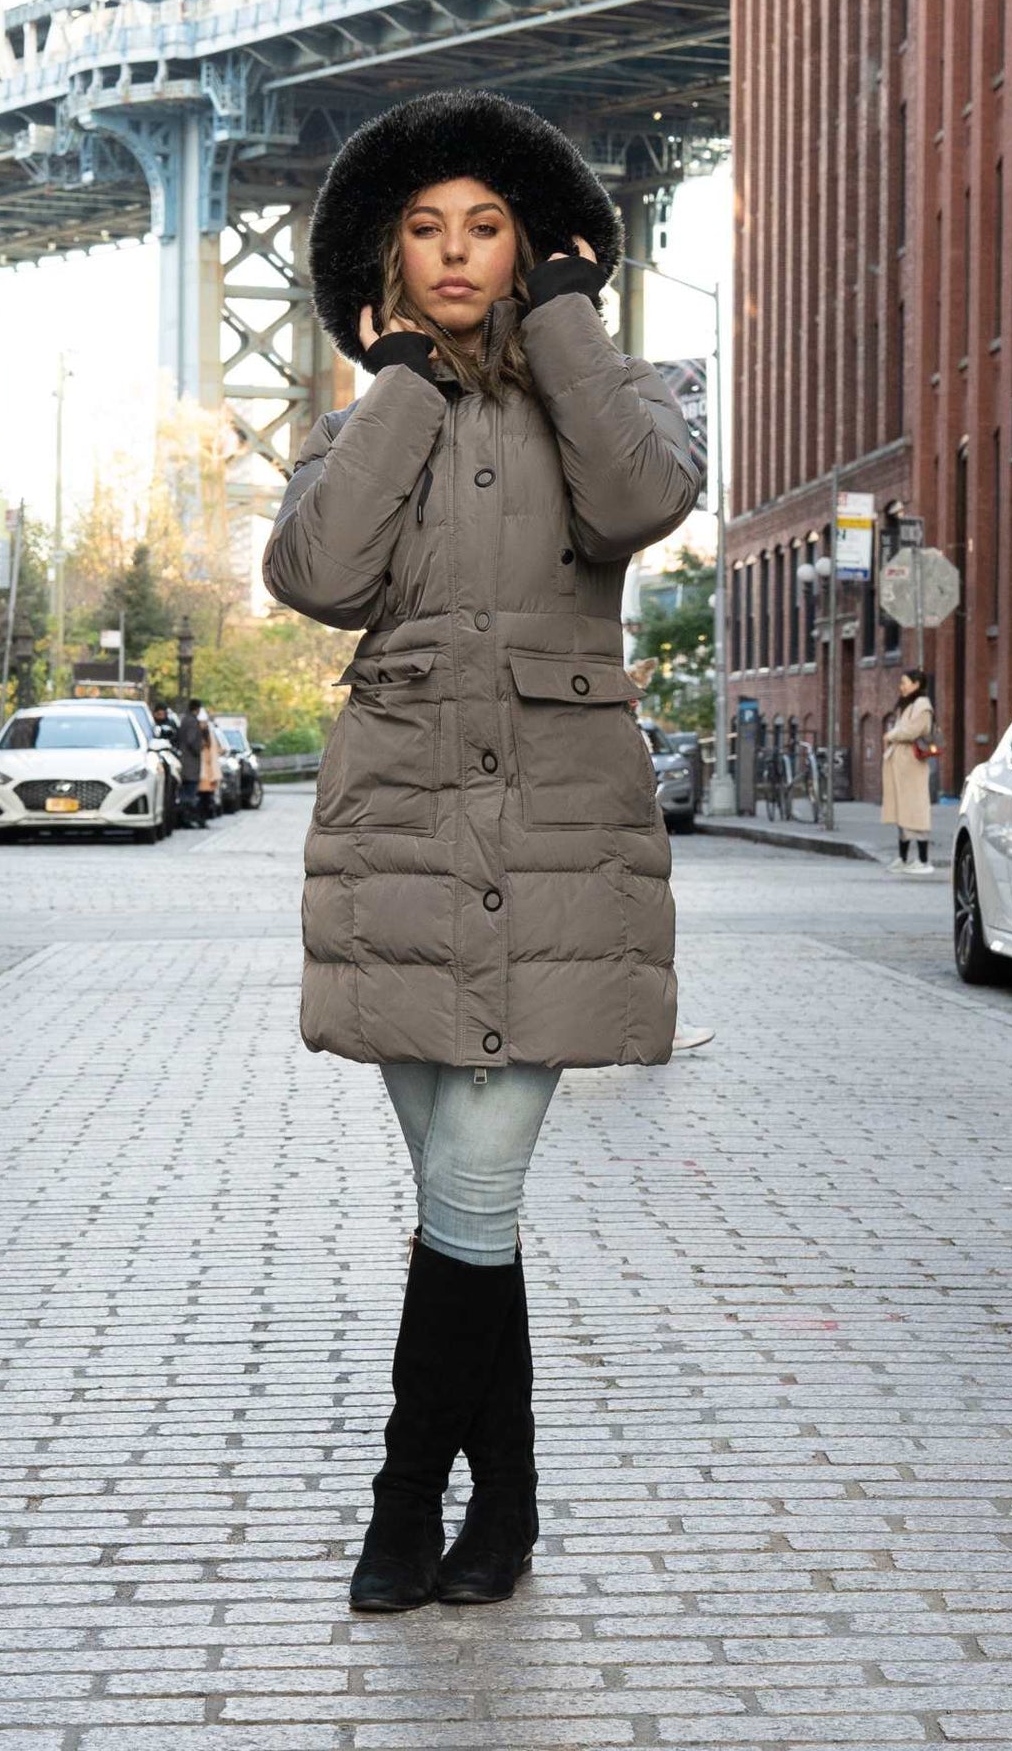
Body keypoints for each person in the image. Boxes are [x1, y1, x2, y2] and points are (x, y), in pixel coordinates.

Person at [262, 90, 701, 1614]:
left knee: (471, 1182)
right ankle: (502, 1508)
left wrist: (573, 319)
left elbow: (643, 497)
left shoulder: (605, 393)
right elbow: (318, 576)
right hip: (401, 833)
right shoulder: (357, 424)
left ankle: (400, 1503)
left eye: (486, 226)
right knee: (472, 1208)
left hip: (563, 830)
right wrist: (395, 388)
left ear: (529, 247)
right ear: (393, 258)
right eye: (426, 232)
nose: (456, 255)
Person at [881, 668, 935, 874]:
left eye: (905, 683)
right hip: (901, 763)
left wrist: (891, 735)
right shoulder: (909, 704)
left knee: (916, 809)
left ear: (916, 684)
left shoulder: (922, 705)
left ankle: (923, 860)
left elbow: (913, 731)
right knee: (902, 810)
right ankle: (903, 858)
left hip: (912, 764)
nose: (901, 687)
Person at [175, 699, 206, 827]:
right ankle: (186, 819)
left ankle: (183, 818)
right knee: (189, 794)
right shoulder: (193, 722)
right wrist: (199, 748)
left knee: (184, 793)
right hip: (191, 764)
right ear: (197, 709)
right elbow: (192, 740)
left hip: (184, 762)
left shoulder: (184, 720)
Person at [196, 707, 223, 819]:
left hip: (208, 770)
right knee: (201, 796)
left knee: (207, 796)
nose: (204, 725)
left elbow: (214, 752)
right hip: (200, 770)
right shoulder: (197, 735)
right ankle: (201, 816)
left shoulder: (209, 736)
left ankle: (206, 815)